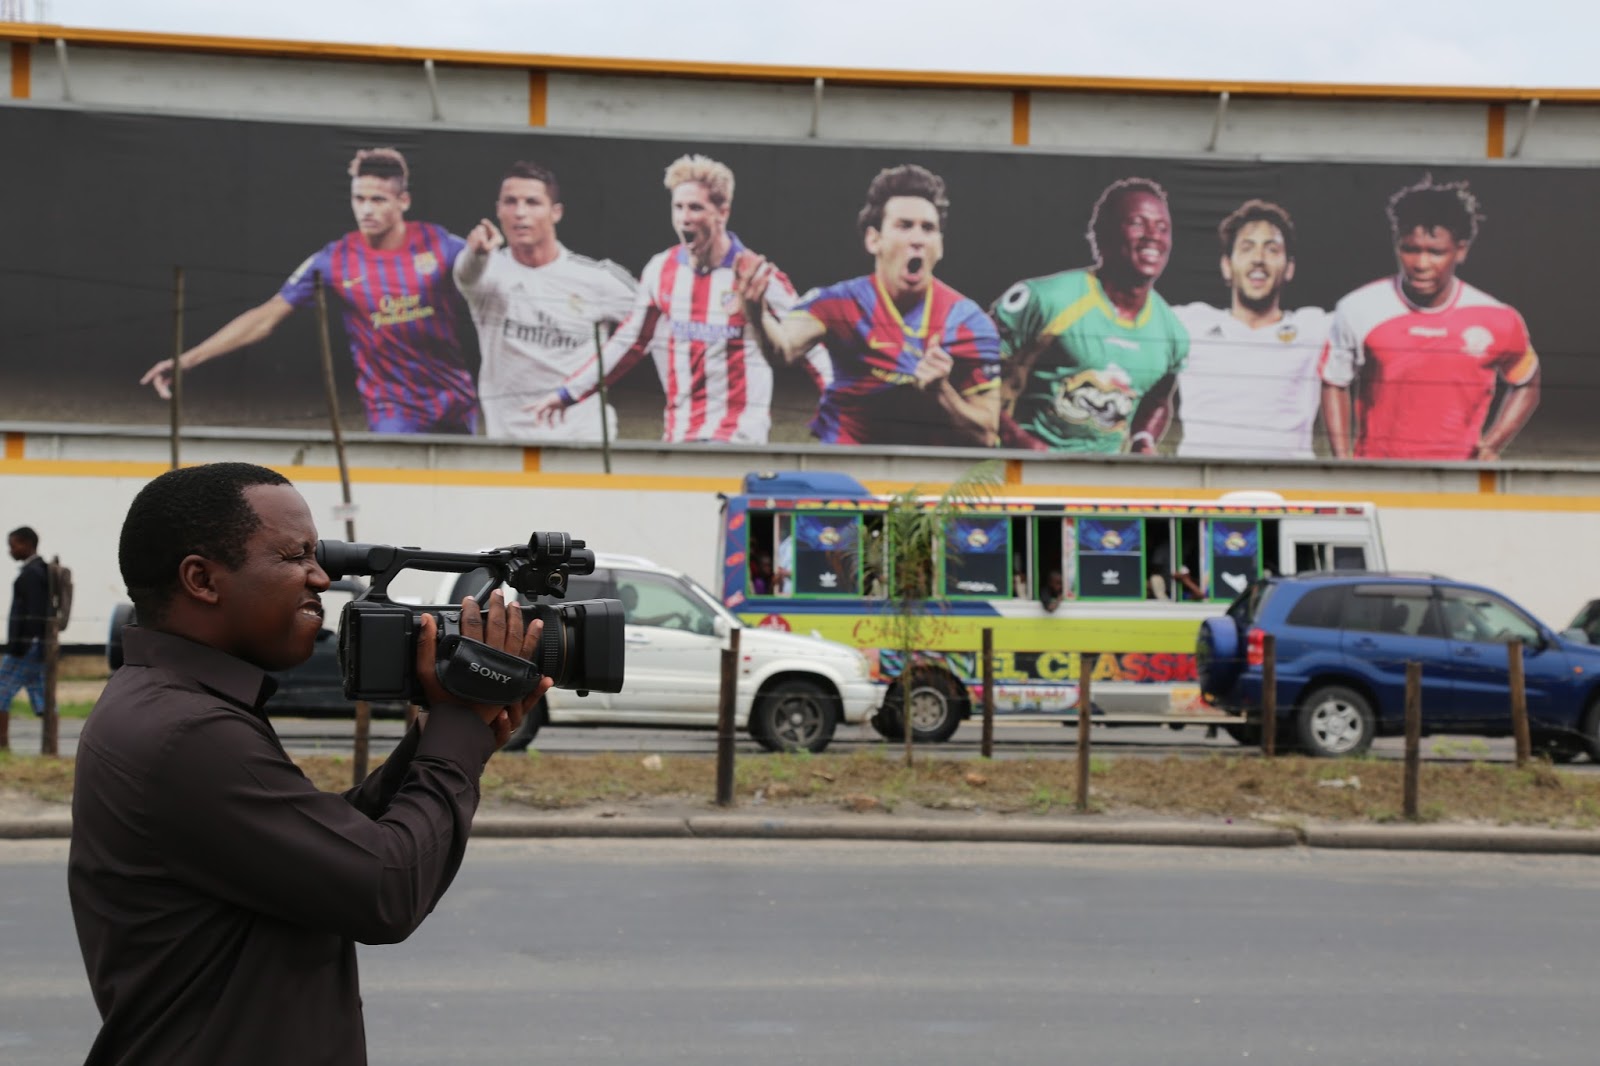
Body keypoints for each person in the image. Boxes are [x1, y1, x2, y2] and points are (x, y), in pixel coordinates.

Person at [68, 462, 549, 1065]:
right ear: (202, 579)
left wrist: (441, 734)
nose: (321, 577)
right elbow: (385, 886)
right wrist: (457, 734)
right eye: (295, 556)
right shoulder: (188, 732)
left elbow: (318, 846)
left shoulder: (165, 702)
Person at [140, 148, 479, 434]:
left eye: (378, 199)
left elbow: (495, 282)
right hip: (393, 408)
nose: (366, 209)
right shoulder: (334, 259)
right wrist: (186, 361)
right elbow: (265, 317)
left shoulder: (440, 244)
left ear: (403, 200)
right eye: (359, 199)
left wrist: (484, 252)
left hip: (455, 400)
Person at [528, 154, 827, 444]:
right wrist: (568, 393)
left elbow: (812, 346)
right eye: (678, 207)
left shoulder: (759, 275)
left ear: (722, 212)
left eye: (695, 208)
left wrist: (839, 402)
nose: (685, 218)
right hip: (679, 436)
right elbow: (629, 343)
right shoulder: (661, 270)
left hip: (737, 439)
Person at [737, 163, 1002, 447]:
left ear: (940, 245)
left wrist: (941, 392)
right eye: (904, 226)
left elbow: (987, 434)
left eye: (928, 228)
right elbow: (784, 350)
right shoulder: (838, 303)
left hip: (922, 467)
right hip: (845, 462)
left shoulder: (969, 322)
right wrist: (756, 313)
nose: (917, 239)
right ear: (874, 240)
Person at [1320, 175, 1541, 460]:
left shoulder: (1497, 318)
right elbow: (1335, 382)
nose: (1421, 264)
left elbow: (1528, 381)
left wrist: (1491, 445)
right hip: (1378, 473)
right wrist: (1342, 462)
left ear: (1461, 250)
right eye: (1410, 249)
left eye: (1436, 252)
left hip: (1458, 477)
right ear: (1397, 244)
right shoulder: (1358, 308)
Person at [992, 177, 1189, 454]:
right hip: (1019, 469)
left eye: (1162, 228)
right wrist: (1015, 438)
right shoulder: (1048, 299)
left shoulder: (1172, 333)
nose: (1152, 236)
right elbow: (972, 369)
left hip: (1099, 476)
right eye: (1137, 223)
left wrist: (1143, 438)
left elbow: (1158, 399)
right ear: (1104, 235)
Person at [454, 161, 639, 440]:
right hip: (509, 439)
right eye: (510, 202)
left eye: (532, 202)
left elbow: (655, 321)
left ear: (556, 212)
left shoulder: (598, 278)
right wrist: (476, 253)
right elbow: (465, 275)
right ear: (498, 210)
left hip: (583, 437)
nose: (520, 212)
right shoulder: (488, 272)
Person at [1173, 200, 1332, 459]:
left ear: (1289, 268)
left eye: (1272, 249)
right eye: (1247, 248)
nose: (1258, 259)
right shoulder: (1189, 322)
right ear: (1227, 266)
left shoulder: (1314, 327)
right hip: (1205, 480)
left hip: (1287, 481)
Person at [0, 526, 48, 727]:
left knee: (1, 690)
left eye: (13, 546)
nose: (10, 551)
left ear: (27, 545)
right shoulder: (40, 570)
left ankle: (2, 740)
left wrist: (21, 643)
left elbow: (33, 612)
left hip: (26, 645)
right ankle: (51, 739)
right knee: (42, 696)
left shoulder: (31, 574)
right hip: (36, 644)